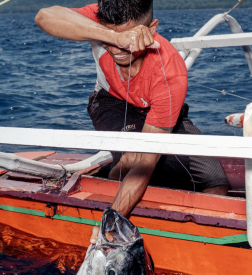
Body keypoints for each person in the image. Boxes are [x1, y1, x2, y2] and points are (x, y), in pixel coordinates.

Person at [35, 0, 229, 243]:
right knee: (131, 157)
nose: (117, 50)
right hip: (110, 101)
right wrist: (114, 36)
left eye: (127, 39)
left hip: (155, 108)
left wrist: (113, 218)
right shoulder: (104, 17)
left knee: (217, 183)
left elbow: (147, 160)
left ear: (152, 28)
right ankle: (113, 177)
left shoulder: (171, 74)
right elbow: (44, 16)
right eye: (112, 41)